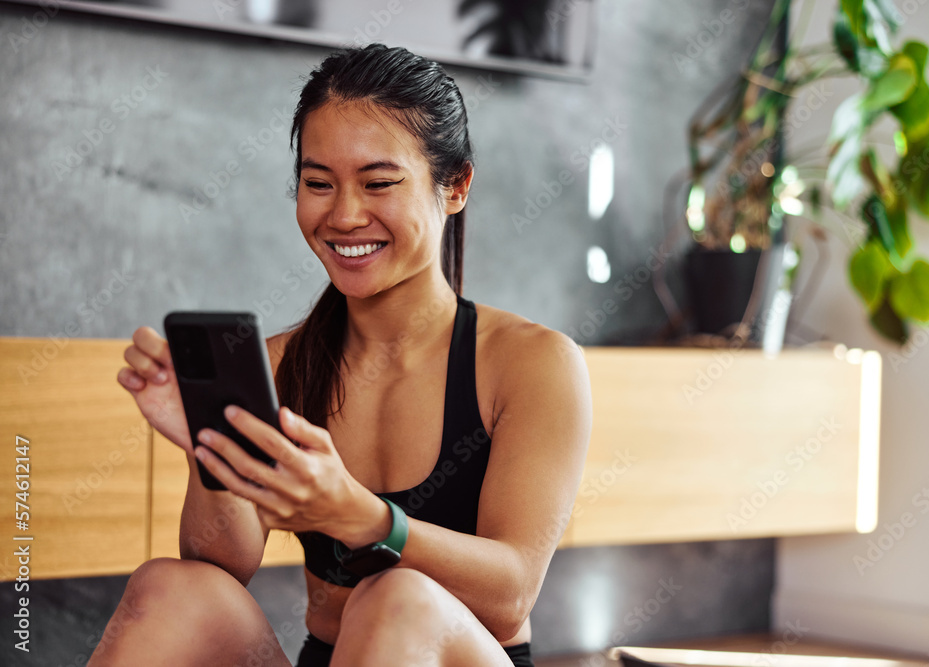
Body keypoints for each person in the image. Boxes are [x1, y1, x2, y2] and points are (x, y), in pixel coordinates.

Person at [89, 43, 592, 667]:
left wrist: (361, 517)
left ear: (455, 185)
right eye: (318, 184)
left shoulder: (531, 363)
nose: (345, 215)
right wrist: (210, 448)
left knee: (396, 597)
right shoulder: (279, 364)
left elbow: (511, 596)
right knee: (173, 588)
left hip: (451, 653)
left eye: (379, 183)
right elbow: (222, 565)